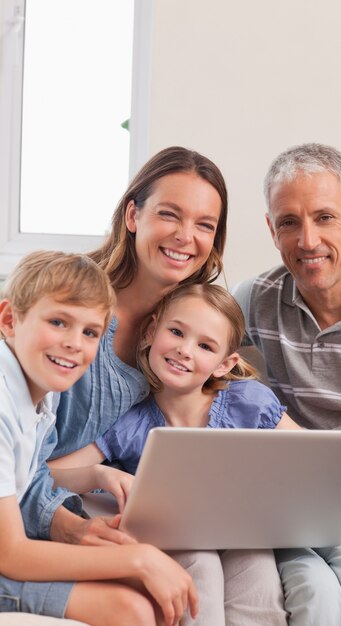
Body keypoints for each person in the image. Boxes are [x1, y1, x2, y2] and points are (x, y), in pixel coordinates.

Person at [233, 142, 341, 625]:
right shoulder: (251, 301)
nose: (307, 240)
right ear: (271, 230)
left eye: (325, 217)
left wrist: (310, 457)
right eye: (289, 222)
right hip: (297, 491)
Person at [49, 282, 293, 626]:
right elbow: (51, 473)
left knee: (261, 577)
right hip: (175, 537)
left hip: (242, 533)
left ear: (225, 364)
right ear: (151, 332)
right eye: (176, 332)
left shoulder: (249, 402)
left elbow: (309, 457)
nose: (184, 350)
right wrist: (99, 473)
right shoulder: (130, 421)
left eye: (205, 345)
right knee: (200, 569)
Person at [20, 146, 229, 545]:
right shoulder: (67, 302)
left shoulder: (192, 330)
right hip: (34, 502)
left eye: (205, 225)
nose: (186, 237)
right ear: (133, 216)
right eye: (169, 214)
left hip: (111, 505)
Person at [0, 250, 198, 626]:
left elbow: (31, 475)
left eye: (90, 332)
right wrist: (138, 559)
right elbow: (10, 553)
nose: (75, 343)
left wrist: (74, 525)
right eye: (58, 322)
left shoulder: (44, 387)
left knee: (153, 596)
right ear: (10, 320)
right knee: (133, 609)